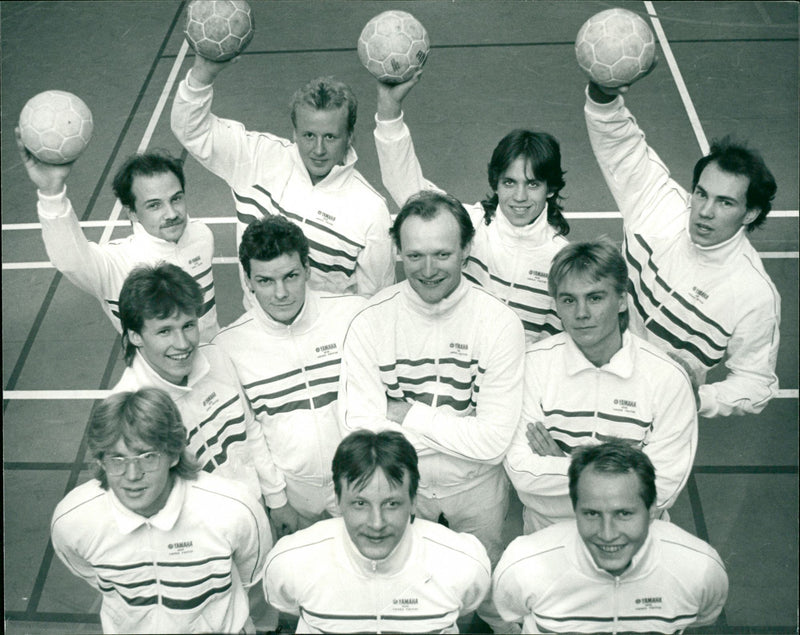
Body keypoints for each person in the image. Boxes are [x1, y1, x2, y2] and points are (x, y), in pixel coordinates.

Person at [338, 190, 525, 632]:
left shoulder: (499, 323)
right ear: (398, 252)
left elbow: (494, 440)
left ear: (465, 250)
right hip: (406, 492)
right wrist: (459, 431)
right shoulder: (369, 321)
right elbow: (358, 428)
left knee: (493, 593)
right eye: (415, 255)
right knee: (412, 595)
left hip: (477, 492)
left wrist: (406, 415)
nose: (428, 269)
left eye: (442, 254)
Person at [584, 72, 780, 418]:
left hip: (656, 415)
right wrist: (603, 93)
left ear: (750, 213)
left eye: (725, 202)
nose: (704, 211)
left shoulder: (754, 294)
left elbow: (754, 383)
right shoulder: (660, 207)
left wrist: (697, 396)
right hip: (586, 377)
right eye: (701, 194)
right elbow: (622, 146)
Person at [170, 54, 395, 307]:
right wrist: (203, 74)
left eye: (330, 137)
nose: (318, 149)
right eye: (308, 135)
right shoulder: (255, 158)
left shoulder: (371, 210)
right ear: (294, 132)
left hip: (327, 340)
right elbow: (191, 130)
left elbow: (376, 303)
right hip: (258, 331)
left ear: (349, 137)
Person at [504, 240, 697, 533]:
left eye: (595, 298)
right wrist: (624, 477)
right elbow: (520, 472)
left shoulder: (668, 378)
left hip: (631, 536)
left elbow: (664, 488)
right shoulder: (530, 366)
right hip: (547, 535)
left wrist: (565, 465)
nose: (581, 313)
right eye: (568, 300)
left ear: (621, 300)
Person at [51, 388, 272, 634]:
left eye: (148, 457)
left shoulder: (234, 508)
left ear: (174, 455)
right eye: (117, 459)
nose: (133, 475)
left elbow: (250, 574)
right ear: (101, 461)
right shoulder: (72, 519)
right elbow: (86, 568)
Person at [373, 72, 569, 345]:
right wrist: (389, 112)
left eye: (533, 184)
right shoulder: (468, 224)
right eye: (510, 182)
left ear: (550, 188)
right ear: (495, 183)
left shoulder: (561, 258)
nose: (520, 196)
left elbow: (559, 338)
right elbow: (404, 182)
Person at [213, 216, 366, 535]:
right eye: (266, 280)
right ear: (248, 280)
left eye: (290, 276)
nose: (280, 293)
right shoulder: (228, 346)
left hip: (362, 485)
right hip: (294, 500)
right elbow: (249, 429)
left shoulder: (353, 314)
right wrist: (277, 499)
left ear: (307, 269)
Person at [112, 262, 290, 525]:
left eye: (188, 325)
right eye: (164, 331)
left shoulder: (216, 356)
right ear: (135, 336)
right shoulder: (129, 409)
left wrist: (276, 500)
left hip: (254, 514)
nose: (183, 344)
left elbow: (250, 429)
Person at [263, 430, 491, 633]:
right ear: (339, 501)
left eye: (391, 504)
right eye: (360, 504)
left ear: (413, 501)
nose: (376, 523)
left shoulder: (464, 563)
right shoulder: (290, 563)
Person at [493, 441, 729, 633]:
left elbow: (702, 617)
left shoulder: (701, 570)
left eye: (624, 513)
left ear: (652, 511)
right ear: (575, 510)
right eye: (592, 513)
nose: (607, 534)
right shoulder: (523, 565)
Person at [16, 133, 219, 340]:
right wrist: (51, 193)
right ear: (131, 212)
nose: (172, 213)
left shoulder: (202, 236)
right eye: (154, 205)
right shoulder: (114, 263)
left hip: (214, 363)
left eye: (176, 199)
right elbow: (69, 259)